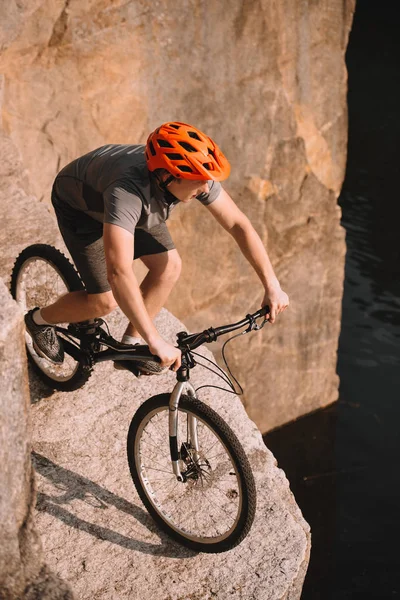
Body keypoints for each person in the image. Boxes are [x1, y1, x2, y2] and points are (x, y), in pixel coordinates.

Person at [25, 121, 289, 374]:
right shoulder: (127, 193)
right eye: (200, 179)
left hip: (132, 204)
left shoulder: (190, 177)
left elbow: (238, 225)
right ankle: (38, 321)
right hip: (83, 208)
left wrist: (272, 285)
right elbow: (119, 272)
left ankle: (129, 347)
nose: (207, 187)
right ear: (167, 176)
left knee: (169, 266)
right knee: (104, 302)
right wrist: (155, 340)